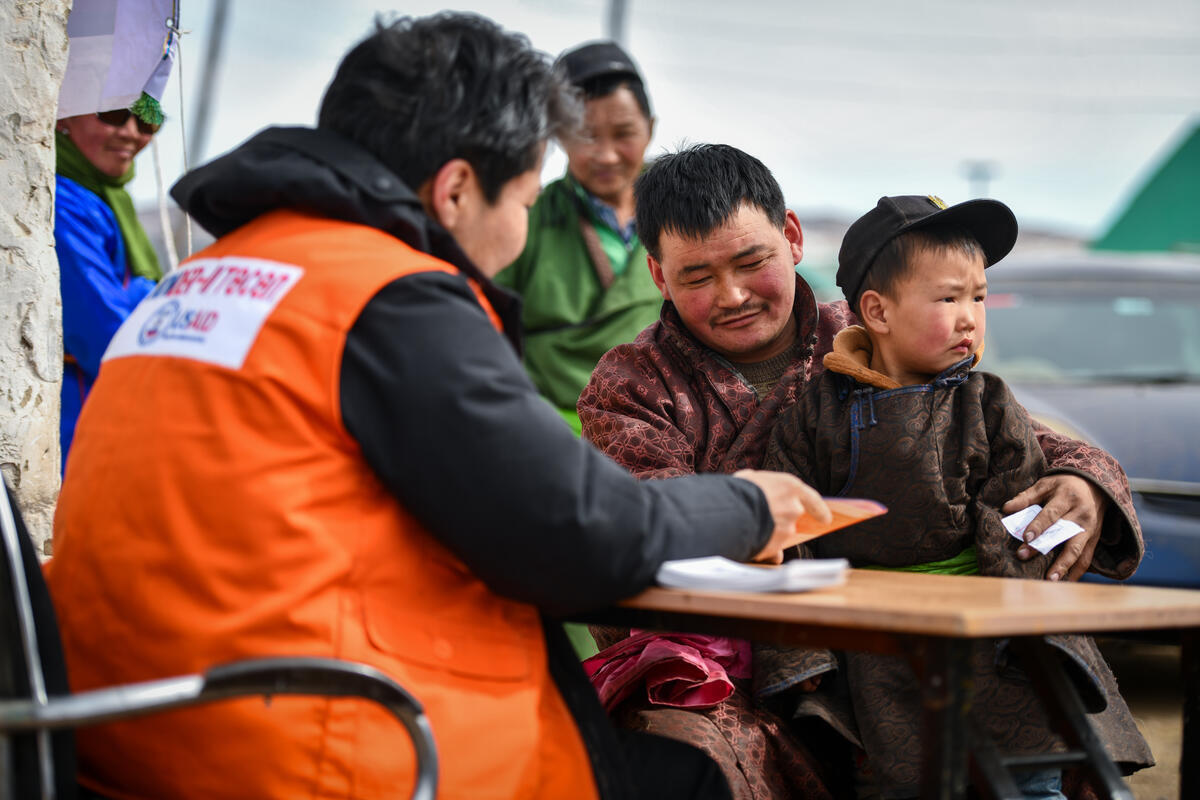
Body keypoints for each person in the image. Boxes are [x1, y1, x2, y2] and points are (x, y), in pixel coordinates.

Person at [45, 15, 832, 800]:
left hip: (123, 732)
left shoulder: (206, 277)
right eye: (524, 203)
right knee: (704, 780)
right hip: (306, 746)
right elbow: (577, 534)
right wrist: (749, 506)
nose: (521, 236)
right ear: (456, 189)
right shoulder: (385, 296)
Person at [578, 145, 1145, 798]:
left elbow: (1016, 436)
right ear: (657, 274)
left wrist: (1084, 483)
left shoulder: (874, 332)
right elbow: (651, 519)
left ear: (791, 237)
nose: (731, 295)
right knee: (677, 755)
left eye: (750, 262)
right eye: (697, 276)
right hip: (726, 671)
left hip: (903, 656)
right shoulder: (631, 384)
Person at [761, 194, 1152, 798]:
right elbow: (789, 534)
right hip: (876, 646)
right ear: (878, 312)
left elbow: (1018, 516)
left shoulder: (990, 404)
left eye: (979, 297)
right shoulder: (814, 418)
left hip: (995, 641)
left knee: (1029, 781)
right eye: (948, 298)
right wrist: (803, 658)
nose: (970, 316)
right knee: (901, 781)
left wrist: (1025, 623)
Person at [493, 40, 660, 435]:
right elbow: (485, 328)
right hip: (548, 430)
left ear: (650, 129)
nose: (605, 155)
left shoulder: (685, 211)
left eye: (623, 134)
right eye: (585, 136)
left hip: (665, 425)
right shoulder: (525, 218)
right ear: (559, 137)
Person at [54, 108, 163, 467]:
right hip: (73, 420)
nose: (132, 133)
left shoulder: (107, 199)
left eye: (148, 121)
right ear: (63, 118)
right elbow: (102, 330)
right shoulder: (60, 201)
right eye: (114, 114)